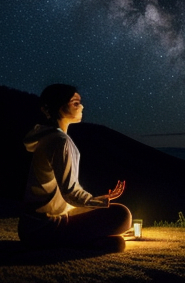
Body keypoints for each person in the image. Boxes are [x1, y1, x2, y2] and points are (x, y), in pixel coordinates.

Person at [18, 84, 132, 252]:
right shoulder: (59, 141)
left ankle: (90, 241)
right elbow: (70, 193)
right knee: (122, 215)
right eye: (76, 103)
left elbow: (63, 198)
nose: (82, 106)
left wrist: (99, 200)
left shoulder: (49, 137)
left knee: (116, 239)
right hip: (43, 228)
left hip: (33, 226)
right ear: (61, 106)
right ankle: (81, 242)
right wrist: (97, 203)